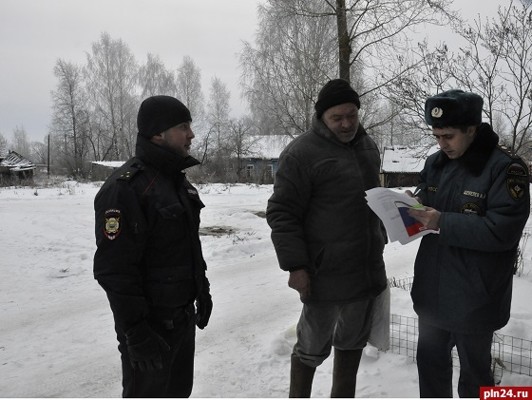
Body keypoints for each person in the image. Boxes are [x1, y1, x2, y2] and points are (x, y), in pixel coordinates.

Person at [266, 79, 388, 398]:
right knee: (310, 349)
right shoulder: (301, 154)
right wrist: (296, 266)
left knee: (352, 346)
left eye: (352, 115)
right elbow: (282, 212)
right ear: (322, 117)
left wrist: (389, 221)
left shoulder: (368, 147)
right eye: (337, 118)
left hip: (365, 271)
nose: (346, 124)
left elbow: (372, 198)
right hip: (323, 276)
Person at [407, 89, 530, 398]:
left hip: (475, 298)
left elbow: (502, 231)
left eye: (448, 136)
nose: (441, 144)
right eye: (436, 136)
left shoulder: (506, 169)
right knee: (430, 369)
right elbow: (426, 196)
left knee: (476, 378)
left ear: (472, 130)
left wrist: (441, 222)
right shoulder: (435, 163)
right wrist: (411, 204)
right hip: (433, 293)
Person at [93, 95, 213, 398]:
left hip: (182, 321)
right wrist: (136, 332)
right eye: (183, 127)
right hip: (150, 329)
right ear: (158, 133)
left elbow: (188, 247)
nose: (191, 135)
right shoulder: (126, 189)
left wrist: (202, 289)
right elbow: (114, 270)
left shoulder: (178, 183)